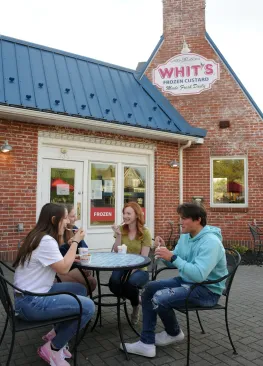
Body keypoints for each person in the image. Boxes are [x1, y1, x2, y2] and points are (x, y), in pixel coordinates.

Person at [121, 202, 228, 357]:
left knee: (159, 297)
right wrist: (165, 252)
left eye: (184, 218)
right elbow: (174, 260)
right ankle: (151, 342)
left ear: (198, 220)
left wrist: (173, 257)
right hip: (188, 282)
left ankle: (170, 334)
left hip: (207, 290)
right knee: (149, 288)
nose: (180, 221)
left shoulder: (211, 242)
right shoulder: (186, 236)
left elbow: (199, 274)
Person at [13, 203, 95, 366]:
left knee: (80, 289)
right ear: (53, 219)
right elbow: (64, 269)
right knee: (88, 307)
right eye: (64, 217)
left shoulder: (39, 236)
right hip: (32, 303)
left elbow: (59, 262)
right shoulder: (46, 240)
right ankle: (53, 347)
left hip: (29, 296)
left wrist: (73, 255)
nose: (67, 222)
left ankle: (56, 333)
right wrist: (75, 242)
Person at [109, 201, 152, 324]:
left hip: (140, 269)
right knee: (113, 283)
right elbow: (117, 251)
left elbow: (144, 259)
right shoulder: (122, 229)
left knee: (130, 283)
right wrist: (118, 235)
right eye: (124, 213)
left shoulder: (145, 232)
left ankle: (135, 307)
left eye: (129, 213)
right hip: (122, 266)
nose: (125, 216)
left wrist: (130, 271)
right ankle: (138, 299)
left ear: (137, 215)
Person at [57, 204, 97, 294]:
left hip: (72, 267)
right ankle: (76, 302)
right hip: (61, 270)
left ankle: (78, 302)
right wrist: (70, 245)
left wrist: (79, 240)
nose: (75, 218)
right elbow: (59, 258)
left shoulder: (73, 229)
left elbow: (84, 250)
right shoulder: (57, 232)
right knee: (87, 284)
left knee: (91, 282)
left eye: (76, 215)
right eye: (72, 216)